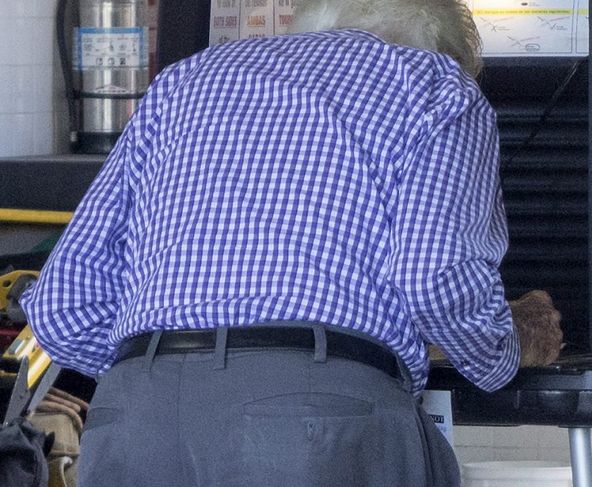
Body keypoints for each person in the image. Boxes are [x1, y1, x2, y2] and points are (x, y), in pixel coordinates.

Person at [20, 0, 563, 485]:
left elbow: (64, 305)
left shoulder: (184, 81)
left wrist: (171, 372)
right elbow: (434, 276)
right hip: (313, 422)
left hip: (133, 420)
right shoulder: (437, 86)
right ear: (447, 53)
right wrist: (504, 352)